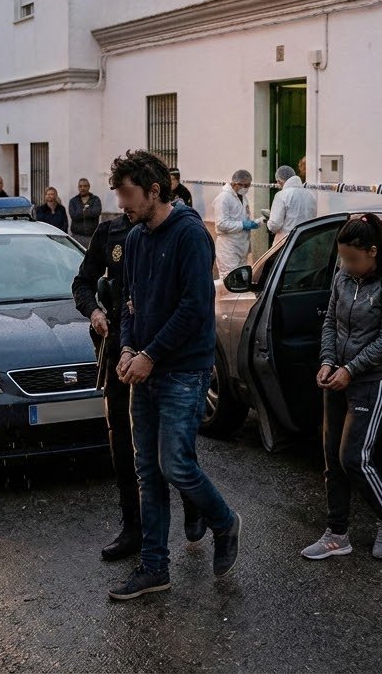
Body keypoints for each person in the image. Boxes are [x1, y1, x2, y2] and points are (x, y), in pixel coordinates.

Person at [107, 150, 241, 601]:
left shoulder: (189, 235)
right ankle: (154, 567)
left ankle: (224, 522)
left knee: (175, 465)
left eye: (128, 194)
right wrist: (127, 348)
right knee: (149, 471)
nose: (123, 204)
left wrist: (150, 353)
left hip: (183, 370)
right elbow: (129, 302)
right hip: (143, 368)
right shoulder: (137, 237)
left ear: (154, 191)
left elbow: (194, 307)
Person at [72, 208, 201, 562]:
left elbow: (191, 299)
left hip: (166, 353)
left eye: (126, 193)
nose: (122, 202)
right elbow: (82, 282)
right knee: (124, 446)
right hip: (121, 352)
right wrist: (94, 312)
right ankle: (134, 528)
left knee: (173, 443)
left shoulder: (175, 230)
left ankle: (194, 502)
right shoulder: (110, 232)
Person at [304, 213, 382, 561]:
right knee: (331, 459)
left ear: (374, 252)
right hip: (337, 375)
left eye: (353, 259)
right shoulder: (342, 278)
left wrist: (350, 369)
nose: (346, 265)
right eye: (343, 258)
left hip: (371, 379)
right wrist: (326, 361)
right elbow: (331, 324)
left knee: (354, 458)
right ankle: (337, 534)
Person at [211, 169, 258, 277]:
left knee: (241, 281)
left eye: (248, 185)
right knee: (229, 279)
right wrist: (243, 225)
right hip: (228, 247)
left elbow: (242, 217)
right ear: (236, 183)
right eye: (246, 186)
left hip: (242, 246)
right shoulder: (223, 198)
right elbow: (221, 224)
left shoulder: (243, 197)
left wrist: (253, 223)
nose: (247, 188)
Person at [267, 164, 318, 242]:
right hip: (307, 240)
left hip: (288, 242)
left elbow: (275, 225)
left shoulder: (281, 195)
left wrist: (269, 222)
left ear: (279, 181)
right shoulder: (310, 195)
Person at [68, 178, 102, 247]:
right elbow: (73, 216)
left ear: (89, 187)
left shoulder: (95, 200)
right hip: (76, 237)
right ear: (78, 188)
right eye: (80, 186)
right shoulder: (73, 201)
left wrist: (82, 212)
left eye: (85, 186)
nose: (82, 188)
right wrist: (87, 212)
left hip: (92, 237)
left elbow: (96, 212)